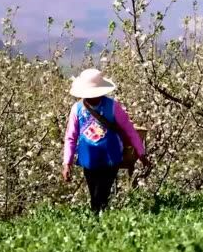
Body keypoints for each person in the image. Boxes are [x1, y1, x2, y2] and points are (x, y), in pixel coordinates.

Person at [62, 68, 151, 213]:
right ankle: (98, 221)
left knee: (101, 194)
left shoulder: (113, 107)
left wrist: (141, 153)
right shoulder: (77, 109)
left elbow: (129, 130)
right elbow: (71, 137)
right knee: (94, 194)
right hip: (89, 160)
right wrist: (67, 163)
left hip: (111, 158)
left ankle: (98, 221)